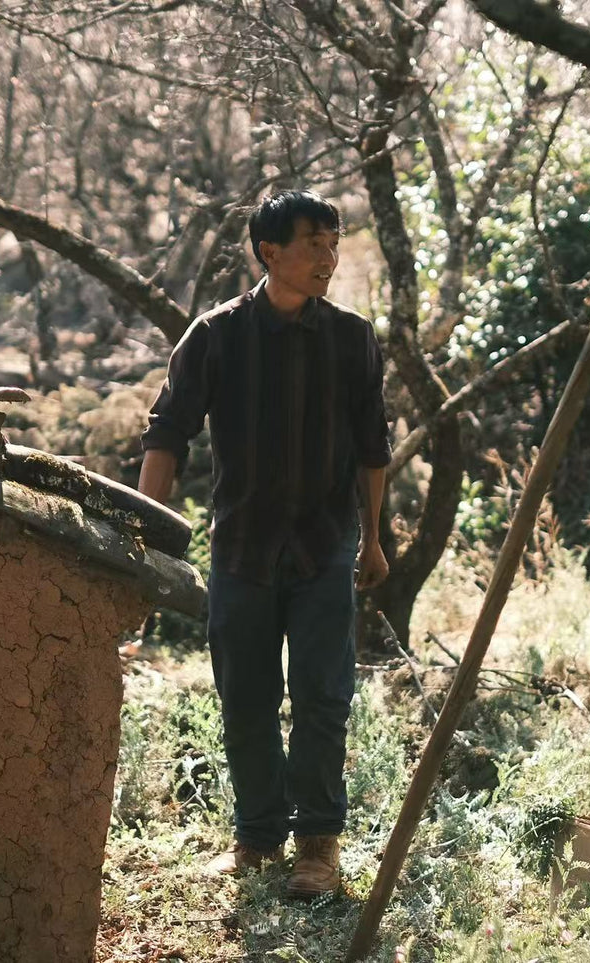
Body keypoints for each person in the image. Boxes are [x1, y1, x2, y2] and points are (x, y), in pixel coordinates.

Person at [137, 190, 391, 896]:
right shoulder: (215, 336)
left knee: (320, 694)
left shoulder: (350, 337)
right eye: (312, 242)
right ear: (268, 251)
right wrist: (146, 537)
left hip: (325, 544)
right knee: (244, 694)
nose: (327, 257)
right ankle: (255, 836)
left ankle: (317, 845)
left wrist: (372, 539)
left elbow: (374, 445)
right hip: (242, 547)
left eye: (333, 242)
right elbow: (166, 435)